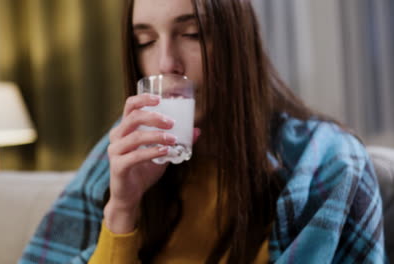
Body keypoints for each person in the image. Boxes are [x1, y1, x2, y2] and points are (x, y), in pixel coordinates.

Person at [19, 0, 388, 263]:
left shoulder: (327, 163)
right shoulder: (119, 154)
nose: (166, 63)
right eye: (144, 42)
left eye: (193, 34)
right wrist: (122, 207)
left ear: (237, 43)